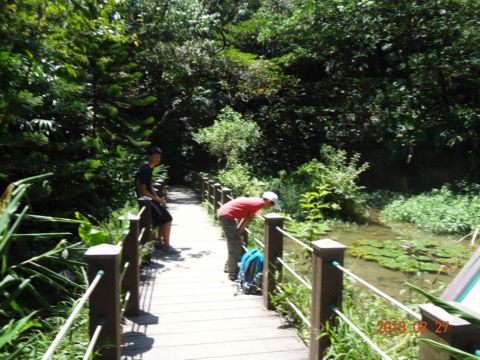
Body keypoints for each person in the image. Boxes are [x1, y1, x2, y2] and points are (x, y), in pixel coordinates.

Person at [217, 191, 280, 280]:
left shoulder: (255, 201)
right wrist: (238, 233)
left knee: (236, 242)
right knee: (235, 244)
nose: (271, 207)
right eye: (272, 204)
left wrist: (238, 232)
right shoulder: (258, 204)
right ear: (268, 201)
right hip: (227, 216)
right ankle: (232, 273)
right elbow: (248, 219)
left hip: (226, 214)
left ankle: (229, 266)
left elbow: (246, 218)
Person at [135, 146, 176, 253]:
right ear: (150, 157)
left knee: (163, 218)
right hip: (145, 200)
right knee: (167, 218)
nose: (158, 159)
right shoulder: (145, 169)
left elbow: (150, 187)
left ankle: (158, 242)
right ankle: (167, 247)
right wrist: (157, 200)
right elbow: (143, 190)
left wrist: (157, 198)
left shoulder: (149, 168)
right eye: (156, 157)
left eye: (159, 157)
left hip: (148, 199)